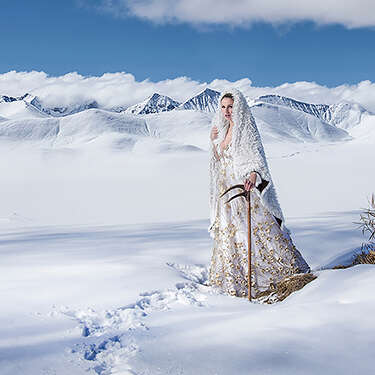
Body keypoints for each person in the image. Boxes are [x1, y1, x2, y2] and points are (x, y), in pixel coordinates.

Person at [208, 88, 311, 299]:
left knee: (254, 231)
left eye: (230, 106)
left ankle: (273, 275)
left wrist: (254, 174)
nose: (227, 111)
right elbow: (219, 159)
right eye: (224, 107)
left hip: (242, 187)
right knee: (231, 232)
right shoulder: (223, 128)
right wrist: (213, 141)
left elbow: (256, 156)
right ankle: (235, 279)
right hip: (226, 191)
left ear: (238, 107)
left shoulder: (245, 128)